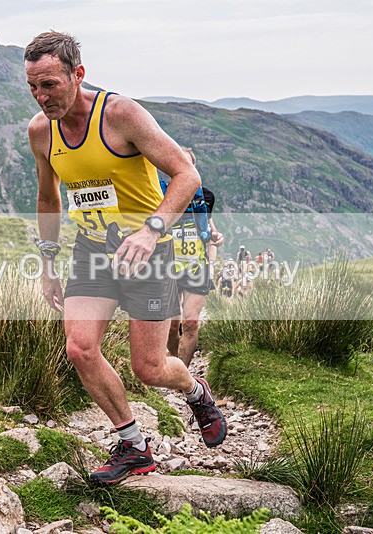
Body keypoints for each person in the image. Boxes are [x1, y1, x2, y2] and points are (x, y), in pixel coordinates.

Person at [25, 31, 227, 485]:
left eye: (50, 85)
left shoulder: (120, 114)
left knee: (150, 369)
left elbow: (186, 175)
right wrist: (48, 265)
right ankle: (134, 446)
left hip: (148, 255)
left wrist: (151, 231)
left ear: (78, 74)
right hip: (92, 252)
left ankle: (196, 392)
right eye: (33, 87)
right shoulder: (40, 131)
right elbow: (47, 197)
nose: (42, 97)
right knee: (79, 348)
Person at [165, 148, 224, 367]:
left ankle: (182, 376)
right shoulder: (159, 192)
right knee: (172, 326)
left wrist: (215, 242)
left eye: (188, 164)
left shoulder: (205, 196)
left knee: (190, 323)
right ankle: (174, 366)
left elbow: (208, 229)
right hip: (167, 268)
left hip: (196, 266)